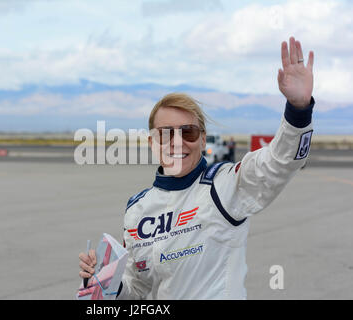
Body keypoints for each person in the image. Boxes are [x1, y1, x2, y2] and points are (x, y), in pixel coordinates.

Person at [78, 36, 315, 299]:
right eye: (166, 133)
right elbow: (139, 292)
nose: (177, 142)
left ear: (202, 139)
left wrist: (298, 109)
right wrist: (106, 283)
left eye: (188, 132)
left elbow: (279, 162)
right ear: (152, 142)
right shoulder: (136, 211)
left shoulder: (225, 186)